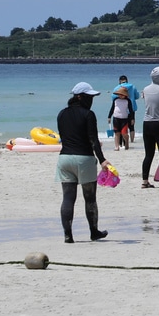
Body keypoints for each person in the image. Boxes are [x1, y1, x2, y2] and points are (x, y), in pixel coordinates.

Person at [55, 83, 111, 244]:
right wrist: (102, 160)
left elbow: (65, 137)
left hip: (64, 159)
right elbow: (93, 140)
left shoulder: (61, 114)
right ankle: (94, 232)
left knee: (68, 198)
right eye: (89, 97)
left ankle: (68, 235)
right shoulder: (88, 114)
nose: (91, 100)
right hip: (84, 159)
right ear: (80, 97)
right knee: (90, 198)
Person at [113, 75, 140, 145]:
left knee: (121, 126)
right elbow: (137, 96)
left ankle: (121, 143)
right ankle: (132, 141)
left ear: (119, 81)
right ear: (127, 80)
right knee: (131, 126)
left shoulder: (117, 88)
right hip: (132, 108)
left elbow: (113, 98)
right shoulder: (133, 87)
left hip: (121, 109)